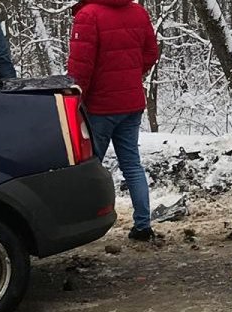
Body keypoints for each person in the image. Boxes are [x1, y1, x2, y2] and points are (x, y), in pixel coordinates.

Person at [67, 0, 159, 242]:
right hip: (132, 103)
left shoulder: (89, 15)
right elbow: (151, 53)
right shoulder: (138, 12)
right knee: (132, 164)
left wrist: (76, 99)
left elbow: (81, 67)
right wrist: (130, 74)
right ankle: (142, 225)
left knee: (89, 166)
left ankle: (84, 225)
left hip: (100, 106)